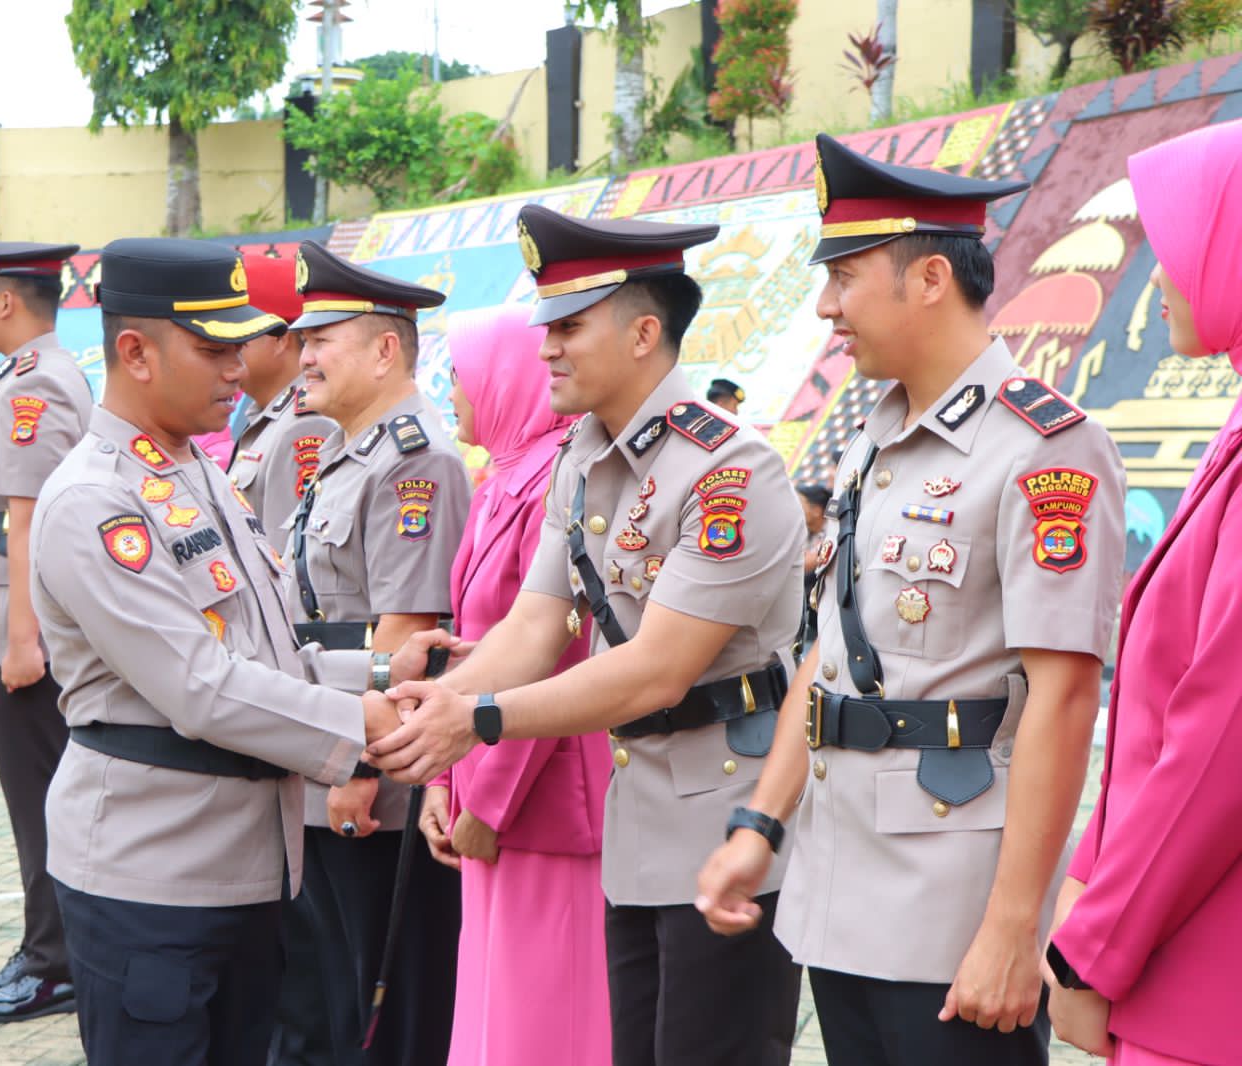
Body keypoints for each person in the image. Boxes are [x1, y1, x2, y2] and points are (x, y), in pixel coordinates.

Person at [694, 133, 1127, 1066]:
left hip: (950, 907)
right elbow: (829, 658)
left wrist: (1016, 927)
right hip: (837, 886)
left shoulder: (1043, 448)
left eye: (845, 277)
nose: (825, 306)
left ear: (929, 278)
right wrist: (759, 827)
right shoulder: (873, 437)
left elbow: (1063, 696)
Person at [369, 203, 808, 1066]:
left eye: (569, 327)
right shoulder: (582, 459)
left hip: (728, 824)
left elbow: (655, 672)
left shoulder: (728, 468)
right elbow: (535, 622)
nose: (545, 349)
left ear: (644, 333)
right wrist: (438, 701)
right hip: (638, 818)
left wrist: (480, 721)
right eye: (545, 327)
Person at [29, 237, 406, 1066]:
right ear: (135, 351)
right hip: (152, 880)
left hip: (239, 870)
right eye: (213, 348)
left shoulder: (191, 469)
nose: (238, 368)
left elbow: (267, 647)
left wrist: (394, 674)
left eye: (241, 345)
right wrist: (366, 726)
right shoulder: (96, 501)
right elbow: (198, 685)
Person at [1043, 119, 1242, 1066]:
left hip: (1208, 977)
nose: (1157, 280)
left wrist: (1090, 951)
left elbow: (1219, 745)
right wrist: (1089, 880)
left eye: (1177, 250)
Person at [285, 240, 469, 1066]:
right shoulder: (343, 451)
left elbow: (407, 632)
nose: (304, 355)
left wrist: (358, 767)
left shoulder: (414, 459)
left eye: (323, 338)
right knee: (332, 987)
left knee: (383, 998)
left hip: (373, 771)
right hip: (329, 740)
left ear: (386, 348)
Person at [428, 303, 610, 1066]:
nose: (452, 391)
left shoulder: (549, 481)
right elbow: (477, 646)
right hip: (484, 772)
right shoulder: (505, 473)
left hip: (538, 786)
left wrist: (489, 799)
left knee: (546, 1011)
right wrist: (446, 778)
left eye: (460, 374)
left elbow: (558, 651)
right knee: (497, 998)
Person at [0, 234, 91, 1024]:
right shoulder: (25, 381)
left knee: (41, 798)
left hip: (20, 614)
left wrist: (23, 638)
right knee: (31, 797)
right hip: (2, 603)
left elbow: (32, 521)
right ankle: (45, 946)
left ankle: (57, 962)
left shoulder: (38, 387)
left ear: (6, 300)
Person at [224, 254, 340, 1066]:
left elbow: (283, 578)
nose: (225, 352)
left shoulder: (300, 429)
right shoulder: (257, 424)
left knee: (310, 939)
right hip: (275, 687)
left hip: (294, 688)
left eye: (240, 332)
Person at [228, 252, 336, 552]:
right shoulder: (265, 414)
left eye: (239, 331)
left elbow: (283, 562)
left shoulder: (305, 425)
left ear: (280, 339)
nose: (223, 342)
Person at [795, 483, 830, 647]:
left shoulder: (832, 531)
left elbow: (806, 562)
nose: (795, 507)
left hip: (822, 617)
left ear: (816, 510)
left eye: (800, 503)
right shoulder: (805, 531)